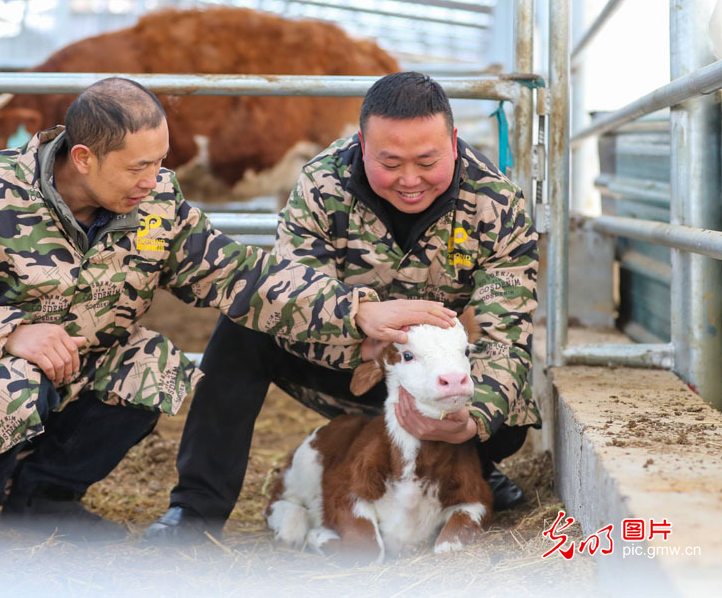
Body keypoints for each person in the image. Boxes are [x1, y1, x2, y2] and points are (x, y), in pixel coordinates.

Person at [0, 77, 456, 548]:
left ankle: (43, 504)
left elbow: (241, 276)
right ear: (84, 158)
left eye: (160, 163)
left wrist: (358, 311)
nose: (154, 181)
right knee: (22, 377)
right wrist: (12, 332)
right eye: (138, 168)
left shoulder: (155, 203)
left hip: (67, 364)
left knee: (154, 364)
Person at [144, 72, 541, 543]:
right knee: (241, 328)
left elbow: (506, 339)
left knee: (509, 412)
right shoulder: (322, 183)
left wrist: (471, 421)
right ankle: (196, 510)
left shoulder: (498, 203)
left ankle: (468, 463)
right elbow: (288, 292)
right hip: (348, 361)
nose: (410, 180)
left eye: (427, 160)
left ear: (453, 142)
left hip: (437, 381)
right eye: (389, 162)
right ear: (362, 144)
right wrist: (361, 322)